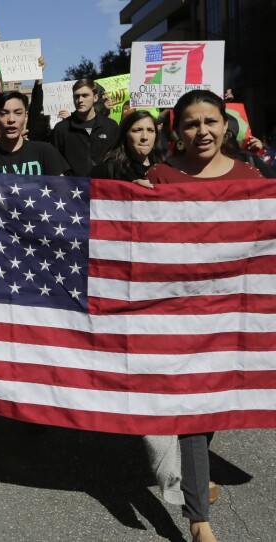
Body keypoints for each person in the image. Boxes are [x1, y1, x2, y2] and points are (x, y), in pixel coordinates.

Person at [144, 90, 264, 542]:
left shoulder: (249, 176)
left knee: (207, 408)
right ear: (177, 131)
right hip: (177, 314)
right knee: (194, 409)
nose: (202, 131)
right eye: (191, 124)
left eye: (210, 121)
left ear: (225, 125)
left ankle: (194, 474)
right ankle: (200, 522)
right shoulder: (161, 175)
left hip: (230, 314)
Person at [0, 91, 69, 176]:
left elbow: (61, 193)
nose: (11, 119)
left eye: (18, 113)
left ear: (26, 116)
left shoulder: (45, 152)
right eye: (4, 113)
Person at [51, 79, 118, 176]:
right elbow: (55, 162)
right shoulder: (61, 128)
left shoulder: (110, 125)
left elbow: (118, 159)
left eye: (85, 95)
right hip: (74, 189)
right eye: (76, 96)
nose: (80, 100)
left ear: (95, 98)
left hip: (103, 188)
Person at [90, 110, 163, 182]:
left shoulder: (164, 171)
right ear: (125, 135)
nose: (145, 137)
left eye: (150, 130)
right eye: (137, 130)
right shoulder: (106, 170)